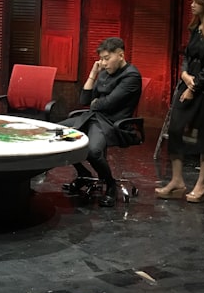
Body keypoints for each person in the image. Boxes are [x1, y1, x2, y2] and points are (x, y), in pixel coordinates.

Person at [155, 0, 204, 203]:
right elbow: (187, 55)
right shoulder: (195, 27)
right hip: (190, 82)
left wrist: (193, 87)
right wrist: (185, 75)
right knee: (176, 129)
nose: (192, 5)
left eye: (196, 2)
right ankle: (177, 181)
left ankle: (202, 184)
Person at [57, 37, 142, 207]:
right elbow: (85, 99)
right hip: (94, 118)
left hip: (114, 123)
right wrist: (93, 74)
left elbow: (108, 103)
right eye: (101, 59)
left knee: (93, 151)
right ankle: (83, 174)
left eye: (106, 58)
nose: (103, 63)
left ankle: (110, 185)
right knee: (59, 134)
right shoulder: (103, 73)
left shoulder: (131, 76)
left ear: (120, 55)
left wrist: (96, 103)